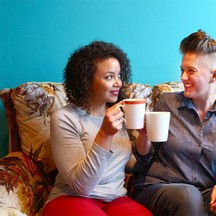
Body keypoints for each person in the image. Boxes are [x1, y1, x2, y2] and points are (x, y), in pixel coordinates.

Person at [132, 30, 216, 216]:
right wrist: (144, 135)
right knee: (188, 195)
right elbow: (145, 157)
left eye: (191, 71)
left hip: (206, 192)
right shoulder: (167, 103)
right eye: (182, 70)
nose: (183, 77)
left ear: (214, 76)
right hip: (160, 187)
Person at [43, 41, 152, 216]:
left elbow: (128, 163)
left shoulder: (120, 113)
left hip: (115, 198)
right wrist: (105, 134)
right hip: (72, 197)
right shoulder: (64, 118)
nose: (118, 83)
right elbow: (81, 186)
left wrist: (144, 136)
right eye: (109, 77)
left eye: (119, 75)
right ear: (86, 81)